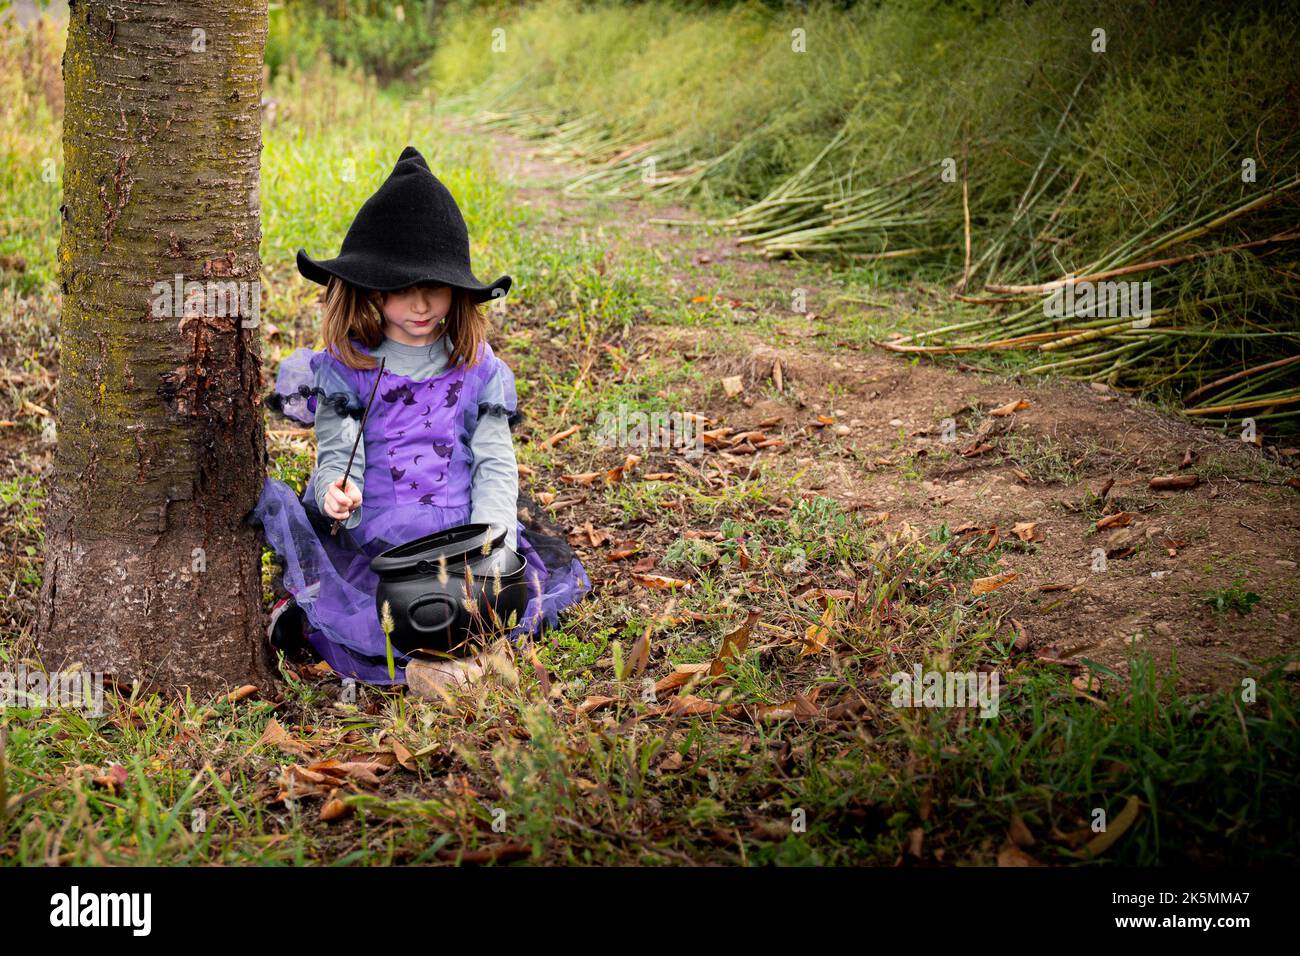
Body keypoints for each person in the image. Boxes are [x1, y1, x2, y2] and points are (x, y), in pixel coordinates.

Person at [253, 146, 591, 687]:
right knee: (371, 616)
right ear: (371, 289)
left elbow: (495, 463)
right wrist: (335, 492)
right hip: (376, 541)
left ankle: (467, 661)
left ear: (457, 288)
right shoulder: (349, 367)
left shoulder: (479, 369)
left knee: (488, 607)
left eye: (433, 288)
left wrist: (494, 542)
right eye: (402, 290)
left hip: (462, 535)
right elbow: (340, 452)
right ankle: (426, 668)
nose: (420, 306)